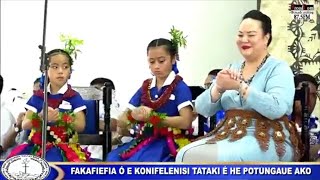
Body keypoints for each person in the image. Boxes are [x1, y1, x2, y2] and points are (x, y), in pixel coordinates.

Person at [176, 10, 302, 162]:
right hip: (229, 134)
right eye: (240, 35)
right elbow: (203, 109)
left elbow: (277, 108)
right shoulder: (232, 67)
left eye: (251, 35)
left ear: (266, 38)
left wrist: (240, 87)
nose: (244, 39)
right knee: (184, 154)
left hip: (267, 138)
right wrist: (218, 88)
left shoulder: (279, 68)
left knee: (206, 157)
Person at [107, 38, 194, 162]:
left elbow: (186, 121)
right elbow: (124, 117)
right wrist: (133, 115)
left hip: (169, 140)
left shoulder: (179, 87)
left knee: (143, 161)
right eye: (152, 62)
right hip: (145, 138)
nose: (156, 66)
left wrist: (153, 117)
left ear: (173, 59)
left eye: (161, 61)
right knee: (113, 158)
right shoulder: (146, 87)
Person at [7, 49, 90, 162]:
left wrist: (60, 117)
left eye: (65, 67)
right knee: (15, 163)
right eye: (55, 67)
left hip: (64, 147)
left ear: (70, 72)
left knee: (52, 159)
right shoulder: (39, 96)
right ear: (46, 71)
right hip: (36, 147)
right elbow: (26, 124)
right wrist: (41, 117)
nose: (60, 71)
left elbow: (81, 125)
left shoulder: (73, 97)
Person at [293, 73, 320, 161]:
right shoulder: (279, 125)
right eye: (304, 94)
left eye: (312, 95)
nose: (308, 100)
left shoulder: (317, 127)